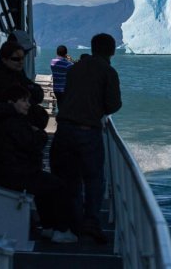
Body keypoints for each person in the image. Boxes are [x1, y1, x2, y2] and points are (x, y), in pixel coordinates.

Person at [50, 33, 122, 244]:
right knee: (93, 179)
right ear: (111, 51)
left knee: (68, 178)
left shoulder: (75, 69)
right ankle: (91, 224)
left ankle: (70, 224)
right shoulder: (108, 72)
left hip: (63, 129)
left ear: (92, 48)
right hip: (87, 132)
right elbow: (113, 105)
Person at [0, 84, 78, 243]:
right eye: (23, 101)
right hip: (14, 174)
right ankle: (61, 230)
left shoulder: (2, 119)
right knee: (59, 187)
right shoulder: (13, 122)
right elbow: (32, 143)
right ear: (11, 102)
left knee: (45, 187)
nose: (28, 104)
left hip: (3, 171)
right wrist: (41, 134)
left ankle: (49, 227)